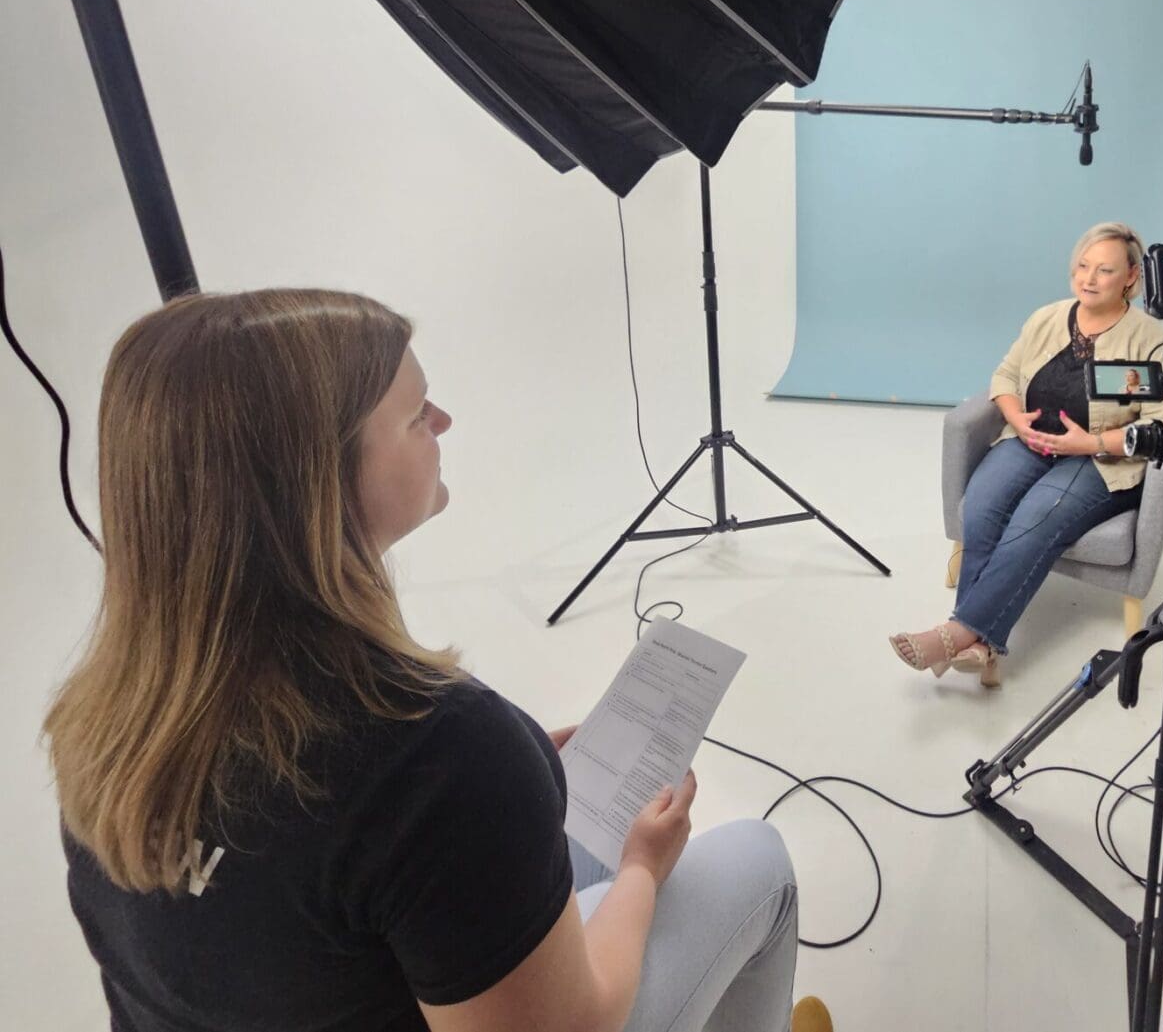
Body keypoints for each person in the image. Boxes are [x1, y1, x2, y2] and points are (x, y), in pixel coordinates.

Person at [43, 290, 818, 1032]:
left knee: (577, 832)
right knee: (758, 860)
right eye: (417, 415)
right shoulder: (439, 754)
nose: (443, 419)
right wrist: (645, 869)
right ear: (322, 482)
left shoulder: (103, 722)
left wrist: (513, 793)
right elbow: (578, 1019)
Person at [889, 223, 1163, 687]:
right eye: (1083, 266)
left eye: (1105, 270)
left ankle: (957, 631)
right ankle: (981, 647)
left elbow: (1161, 425)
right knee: (981, 508)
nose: (1089, 277)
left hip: (1099, 460)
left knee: (1035, 517)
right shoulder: (1047, 317)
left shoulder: (1150, 340)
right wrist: (1017, 419)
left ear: (1131, 277)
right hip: (1030, 440)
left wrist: (1090, 443)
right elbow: (1004, 376)